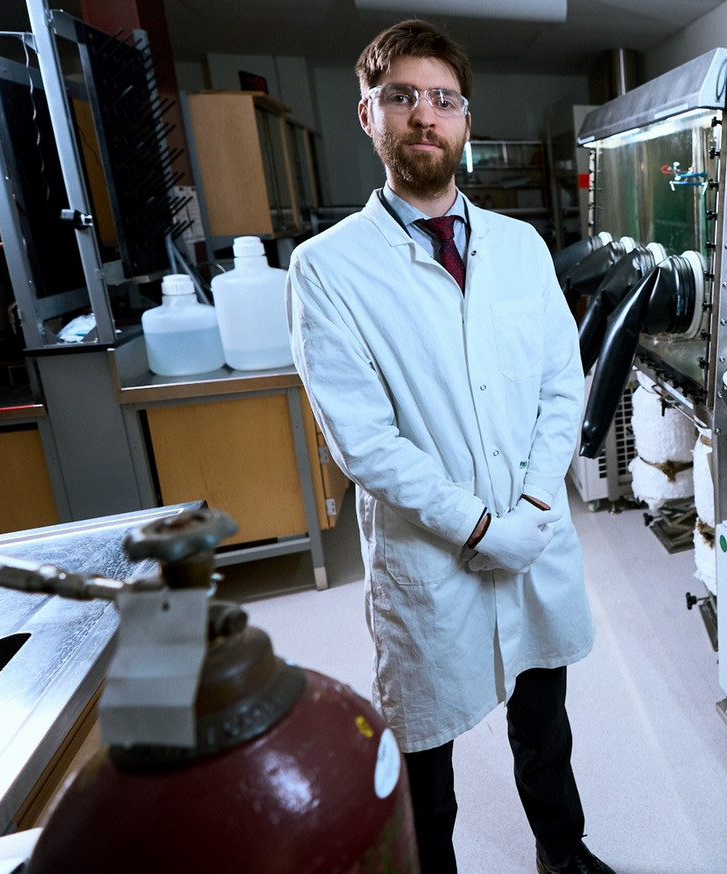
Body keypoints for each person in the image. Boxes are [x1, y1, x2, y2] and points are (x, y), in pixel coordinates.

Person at [287, 19, 612, 874]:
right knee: (426, 748)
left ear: (465, 120)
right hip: (430, 557)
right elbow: (362, 439)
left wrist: (537, 505)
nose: (423, 116)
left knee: (545, 721)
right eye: (402, 98)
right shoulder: (327, 268)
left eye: (442, 100)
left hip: (533, 530)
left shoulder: (521, 246)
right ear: (369, 116)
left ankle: (563, 855)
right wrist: (477, 526)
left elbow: (557, 385)